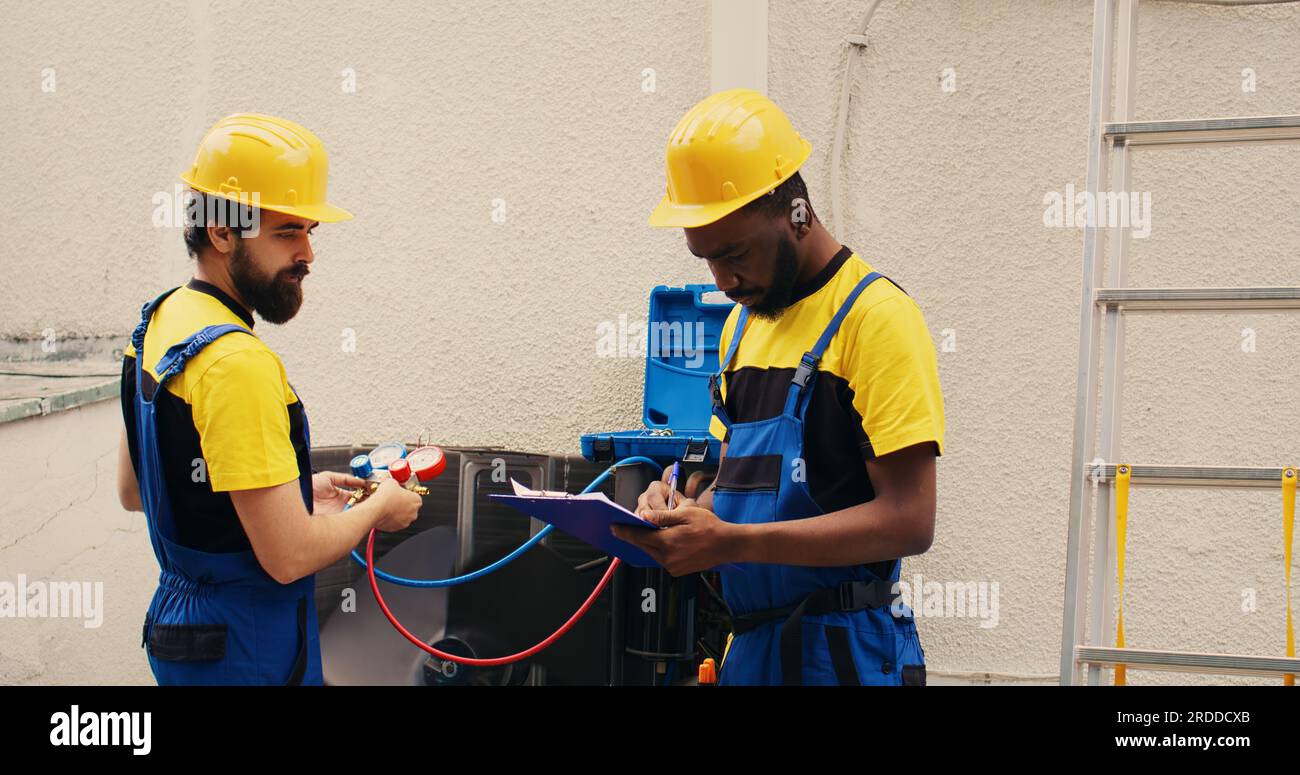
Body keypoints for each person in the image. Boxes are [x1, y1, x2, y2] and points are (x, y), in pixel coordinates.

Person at [614, 89, 945, 686]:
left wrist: (733, 543)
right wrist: (682, 512)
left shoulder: (876, 319)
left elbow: (909, 520)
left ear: (796, 213)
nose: (723, 279)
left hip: (846, 656)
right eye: (705, 258)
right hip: (754, 651)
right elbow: (728, 484)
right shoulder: (740, 328)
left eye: (735, 253)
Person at [115, 113, 421, 685]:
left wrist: (293, 495)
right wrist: (381, 509)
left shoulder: (157, 325)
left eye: (310, 230)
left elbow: (141, 493)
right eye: (286, 233)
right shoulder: (237, 363)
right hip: (247, 648)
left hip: (182, 637)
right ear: (222, 232)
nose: (307, 253)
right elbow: (288, 557)